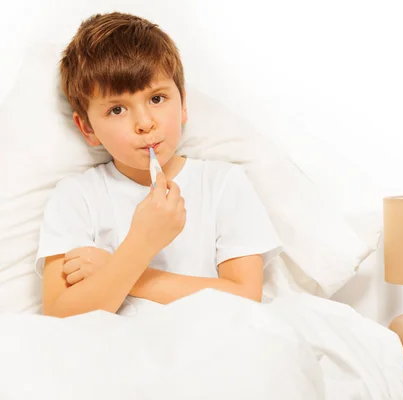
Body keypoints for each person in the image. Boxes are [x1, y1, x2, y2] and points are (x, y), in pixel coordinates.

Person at [36, 12, 281, 318]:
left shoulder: (223, 184)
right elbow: (59, 313)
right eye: (116, 109)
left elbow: (245, 298)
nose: (144, 123)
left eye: (157, 99)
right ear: (87, 128)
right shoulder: (76, 197)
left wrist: (120, 270)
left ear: (183, 105)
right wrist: (140, 244)